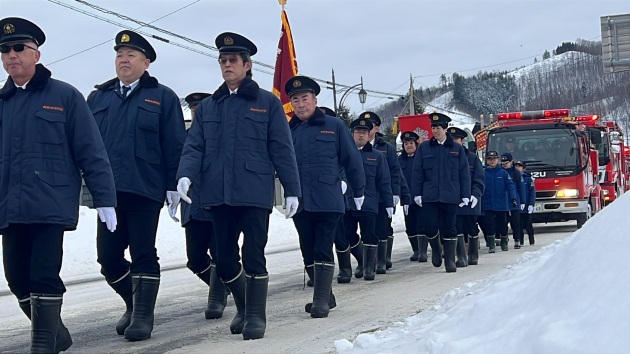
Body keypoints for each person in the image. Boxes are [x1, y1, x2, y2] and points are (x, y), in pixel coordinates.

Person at [0, 17, 117, 353]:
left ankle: (43, 345)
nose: (11, 55)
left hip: (50, 203)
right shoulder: (2, 101)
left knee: (43, 275)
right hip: (10, 205)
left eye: (19, 48)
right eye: (5, 50)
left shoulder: (64, 96)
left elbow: (91, 151)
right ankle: (56, 334)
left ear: (36, 54)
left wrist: (104, 198)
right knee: (17, 279)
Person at [176, 32, 301, 340]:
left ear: (247, 65)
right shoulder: (208, 107)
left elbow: (282, 149)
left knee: (254, 254)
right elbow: (194, 146)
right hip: (218, 195)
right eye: (223, 60)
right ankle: (244, 306)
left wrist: (292, 188)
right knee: (225, 258)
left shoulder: (267, 104)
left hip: (254, 192)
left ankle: (256, 316)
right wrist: (185, 175)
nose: (227, 65)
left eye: (233, 60)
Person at [87, 30, 186, 341]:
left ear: (146, 63)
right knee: (108, 259)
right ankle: (134, 302)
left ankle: (143, 316)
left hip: (145, 188)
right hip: (109, 194)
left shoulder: (163, 97)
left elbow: (174, 143)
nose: (123, 59)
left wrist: (172, 185)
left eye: (131, 55)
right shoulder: (98, 97)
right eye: (119, 54)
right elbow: (88, 145)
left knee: (143, 252)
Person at [284, 76, 365, 317]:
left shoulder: (334, 125)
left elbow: (352, 160)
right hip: (300, 202)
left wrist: (358, 190)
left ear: (315, 100)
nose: (300, 104)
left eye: (305, 99)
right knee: (307, 250)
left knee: (321, 248)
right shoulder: (288, 130)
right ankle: (326, 295)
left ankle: (319, 300)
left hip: (327, 199)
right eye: (295, 100)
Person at [179, 92, 231, 320]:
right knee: (195, 259)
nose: (196, 113)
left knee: (222, 255)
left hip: (218, 204)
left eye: (200, 109)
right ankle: (223, 285)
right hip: (193, 205)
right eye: (192, 110)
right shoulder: (186, 138)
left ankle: (217, 297)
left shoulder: (223, 135)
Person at [411, 113, 471, 273]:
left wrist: (465, 194)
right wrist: (416, 193)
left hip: (450, 194)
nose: (435, 130)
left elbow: (464, 173)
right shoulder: (424, 148)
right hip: (430, 195)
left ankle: (450, 260)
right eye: (433, 127)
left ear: (445, 129)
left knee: (449, 227)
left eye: (438, 128)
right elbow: (417, 172)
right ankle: (436, 248)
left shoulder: (456, 149)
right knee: (429, 226)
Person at [343, 117, 393, 281]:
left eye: (364, 132)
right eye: (358, 132)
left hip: (369, 202)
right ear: (352, 134)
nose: (361, 135)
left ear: (369, 134)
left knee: (369, 235)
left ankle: (369, 268)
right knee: (347, 235)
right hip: (348, 202)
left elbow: (384, 181)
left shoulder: (377, 156)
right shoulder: (343, 154)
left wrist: (388, 203)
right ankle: (362, 261)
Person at [362, 111, 401, 273]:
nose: (368, 130)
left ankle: (382, 260)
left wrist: (395, 193)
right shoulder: (356, 146)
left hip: (383, 195)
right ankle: (366, 262)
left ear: (376, 128)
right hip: (365, 196)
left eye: (371, 127)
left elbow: (395, 172)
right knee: (367, 230)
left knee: (383, 227)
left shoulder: (386, 147)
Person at [449, 127, 485, 266]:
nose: (454, 142)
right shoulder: (447, 157)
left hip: (470, 200)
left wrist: (475, 194)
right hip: (454, 199)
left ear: (462, 141)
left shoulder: (472, 158)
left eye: (456, 139)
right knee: (457, 228)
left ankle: (473, 255)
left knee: (471, 227)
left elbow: (479, 179)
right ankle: (461, 257)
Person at [480, 151, 517, 254]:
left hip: (501, 203)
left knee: (503, 224)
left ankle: (504, 242)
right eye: (490, 159)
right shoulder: (483, 173)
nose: (492, 161)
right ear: (487, 161)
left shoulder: (503, 173)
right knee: (489, 224)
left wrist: (513, 198)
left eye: (494, 159)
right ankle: (491, 245)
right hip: (488, 203)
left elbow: (510, 186)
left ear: (498, 160)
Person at [398, 131, 426, 261]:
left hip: (421, 197)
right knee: (410, 225)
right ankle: (415, 250)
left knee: (422, 224)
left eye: (411, 143)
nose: (408, 145)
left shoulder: (422, 158)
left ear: (416, 143)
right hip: (407, 199)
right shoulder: (399, 161)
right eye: (406, 143)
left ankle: (423, 251)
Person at [501, 153, 526, 250]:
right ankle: (504, 239)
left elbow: (521, 187)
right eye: (503, 163)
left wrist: (523, 201)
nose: (505, 165)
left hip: (514, 201)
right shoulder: (500, 172)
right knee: (503, 222)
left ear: (511, 162)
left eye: (507, 163)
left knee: (515, 222)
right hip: (503, 201)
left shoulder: (516, 173)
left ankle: (517, 240)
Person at [515, 161, 536, 245]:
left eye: (519, 166)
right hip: (518, 206)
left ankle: (531, 240)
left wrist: (531, 204)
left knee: (528, 224)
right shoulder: (513, 178)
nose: (517, 168)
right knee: (518, 225)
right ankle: (521, 241)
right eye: (516, 166)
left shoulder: (528, 179)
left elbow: (532, 193)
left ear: (523, 169)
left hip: (527, 206)